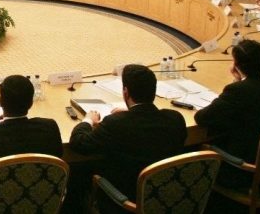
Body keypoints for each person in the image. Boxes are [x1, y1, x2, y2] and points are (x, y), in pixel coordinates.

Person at [69, 65, 187, 206]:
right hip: (171, 198)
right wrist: (131, 111)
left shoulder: (115, 123)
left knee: (79, 174)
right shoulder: (175, 119)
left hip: (128, 202)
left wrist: (88, 120)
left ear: (126, 92)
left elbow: (79, 143)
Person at [195, 40, 260, 187]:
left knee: (198, 148)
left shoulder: (238, 91)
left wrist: (236, 84)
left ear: (236, 64)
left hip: (246, 170)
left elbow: (202, 118)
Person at [0, 75, 62, 190]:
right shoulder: (50, 128)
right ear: (31, 103)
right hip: (44, 197)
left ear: (0, 102)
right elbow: (58, 158)